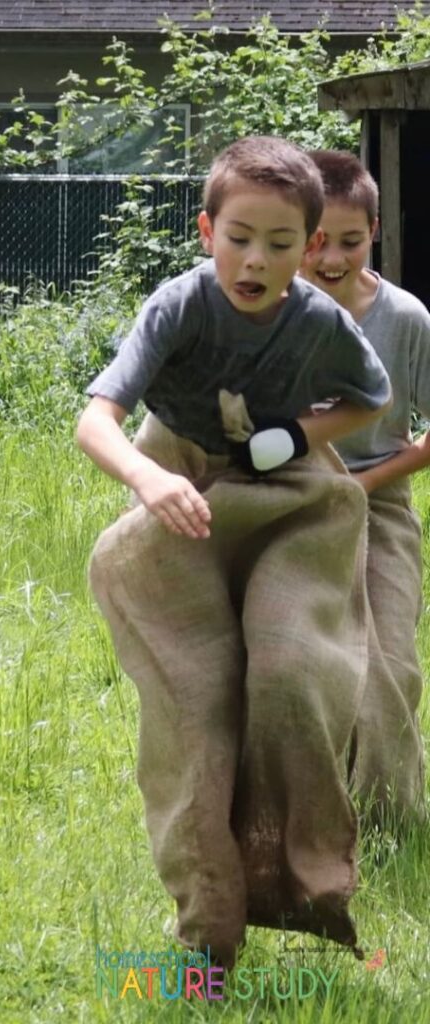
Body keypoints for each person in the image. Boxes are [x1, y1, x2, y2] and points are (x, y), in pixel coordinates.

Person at [77, 136, 391, 968]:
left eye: (281, 245)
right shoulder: (178, 306)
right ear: (206, 228)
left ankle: (310, 885)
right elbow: (95, 420)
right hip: (178, 490)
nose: (256, 260)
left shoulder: (320, 320)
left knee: (289, 675)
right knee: (197, 711)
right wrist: (149, 481)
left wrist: (294, 432)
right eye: (240, 237)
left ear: (313, 248)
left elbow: (372, 397)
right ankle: (208, 938)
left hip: (290, 495)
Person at [301, 149, 428, 824]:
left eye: (349, 242)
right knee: (303, 666)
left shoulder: (404, 319)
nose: (330, 259)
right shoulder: (262, 314)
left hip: (378, 503)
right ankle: (310, 814)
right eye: (317, 242)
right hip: (291, 503)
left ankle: (389, 823)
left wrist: (369, 478)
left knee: (387, 667)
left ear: (373, 233)